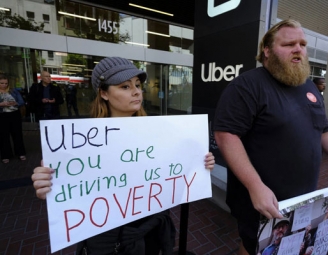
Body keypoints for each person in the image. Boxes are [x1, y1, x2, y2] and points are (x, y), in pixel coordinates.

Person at [213, 19, 328, 255]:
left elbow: (323, 130)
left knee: (291, 245)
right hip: (261, 197)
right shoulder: (247, 86)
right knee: (252, 245)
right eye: (289, 44)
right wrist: (256, 186)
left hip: (303, 196)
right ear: (267, 50)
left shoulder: (309, 86)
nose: (299, 49)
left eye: (303, 44)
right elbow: (226, 135)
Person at [31, 57, 216, 254]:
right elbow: (71, 189)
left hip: (152, 231)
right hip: (110, 240)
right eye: (125, 87)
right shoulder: (81, 143)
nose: (136, 91)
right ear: (104, 93)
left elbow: (174, 172)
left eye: (137, 85)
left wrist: (199, 162)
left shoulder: (160, 133)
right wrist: (49, 185)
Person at [0, 74, 27, 163]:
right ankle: (6, 155)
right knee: (4, 136)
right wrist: (1, 104)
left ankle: (20, 153)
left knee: (17, 134)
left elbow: (21, 102)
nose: (4, 85)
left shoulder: (13, 91)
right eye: (2, 83)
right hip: (2, 115)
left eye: (6, 83)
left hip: (14, 114)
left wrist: (15, 103)